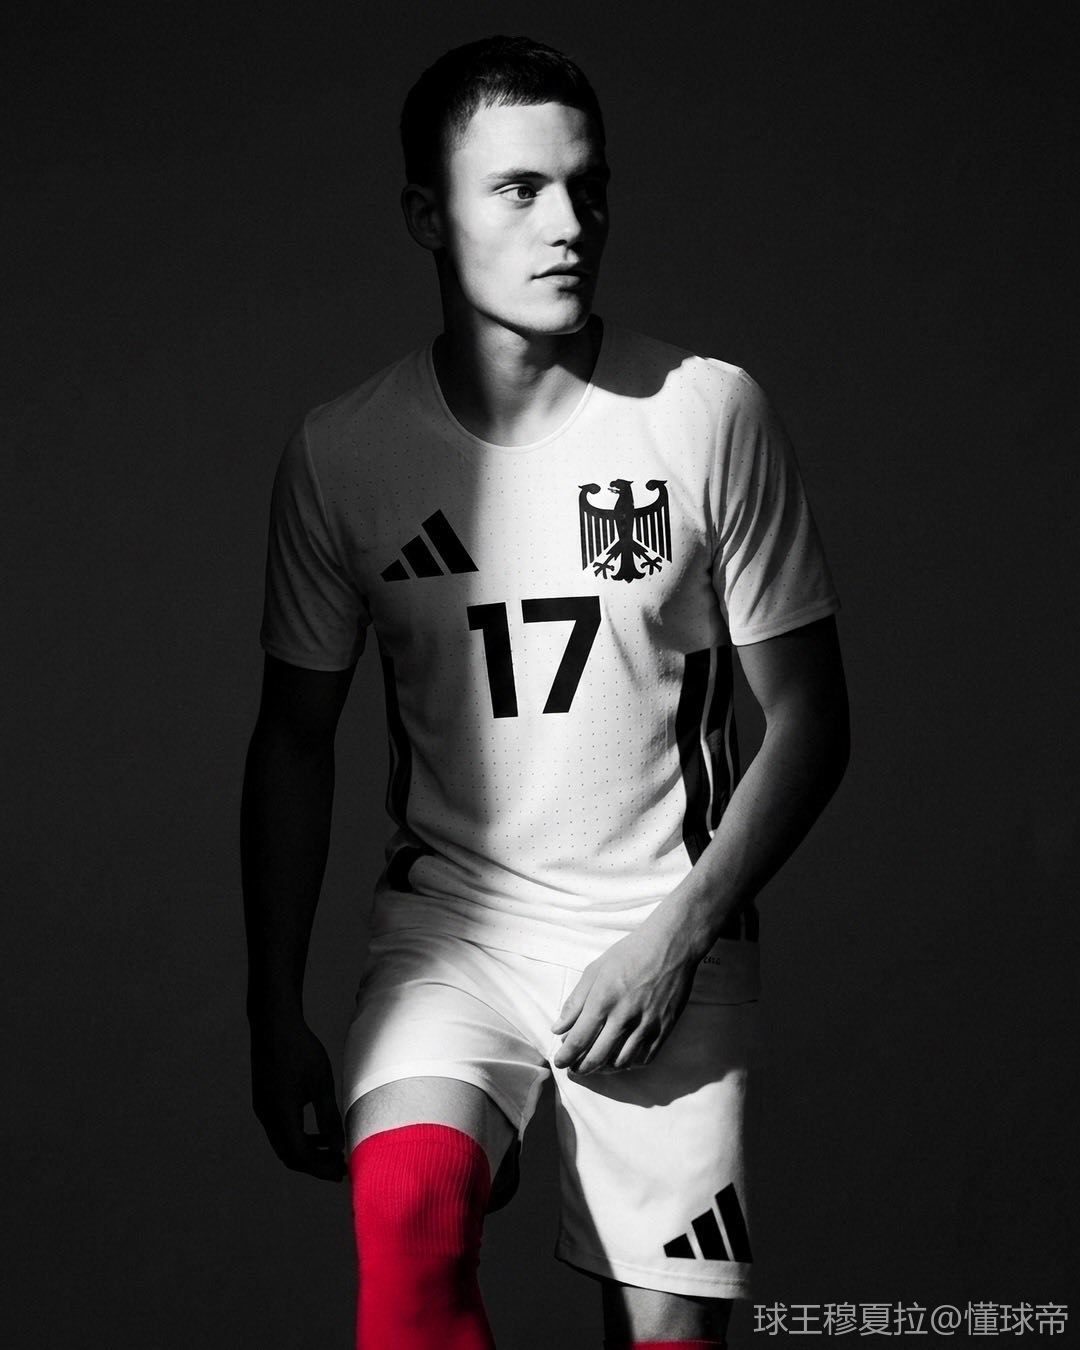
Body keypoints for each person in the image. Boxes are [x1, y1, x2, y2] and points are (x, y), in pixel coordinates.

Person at [242, 34, 849, 1350]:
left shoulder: (704, 413)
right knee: (406, 1216)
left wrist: (677, 937)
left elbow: (812, 718)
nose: (569, 223)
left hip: (665, 929)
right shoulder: (345, 453)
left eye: (589, 186)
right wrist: (270, 1003)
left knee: (668, 1340)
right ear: (427, 215)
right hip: (453, 933)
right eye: (519, 188)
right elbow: (293, 738)